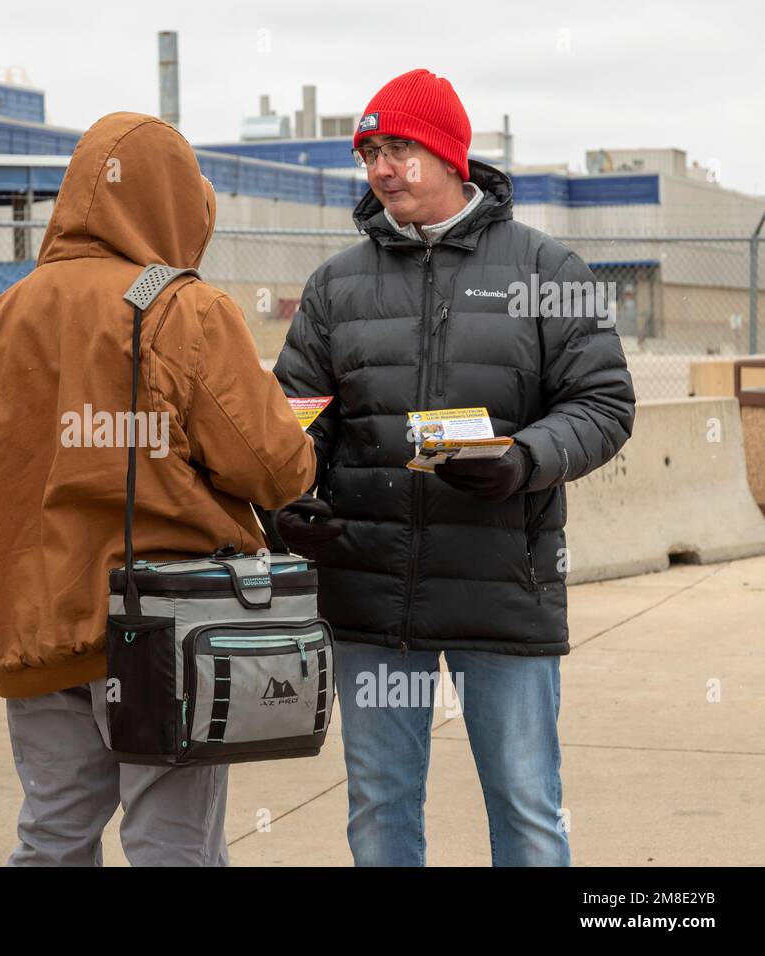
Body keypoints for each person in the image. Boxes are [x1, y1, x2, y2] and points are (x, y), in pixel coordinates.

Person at [0, 111, 316, 866]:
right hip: (163, 635)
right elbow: (272, 468)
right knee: (172, 845)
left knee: (51, 835)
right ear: (175, 204)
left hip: (35, 631)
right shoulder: (182, 309)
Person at [271, 69, 636, 866]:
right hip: (368, 595)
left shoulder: (547, 271)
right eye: (370, 152)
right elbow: (293, 425)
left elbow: (605, 405)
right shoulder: (334, 286)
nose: (382, 168)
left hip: (503, 591)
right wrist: (286, 501)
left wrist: (526, 460)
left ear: (448, 155)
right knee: (378, 808)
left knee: (527, 809)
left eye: (399, 148)